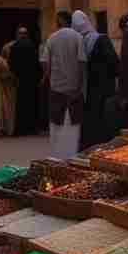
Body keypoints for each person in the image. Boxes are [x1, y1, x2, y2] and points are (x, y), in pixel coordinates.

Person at [73, 10, 120, 149]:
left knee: (91, 119)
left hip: (88, 88)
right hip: (105, 87)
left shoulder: (77, 41)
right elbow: (114, 63)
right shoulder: (101, 39)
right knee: (104, 119)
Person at [43, 11, 87, 159]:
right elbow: (82, 63)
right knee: (74, 125)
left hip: (57, 89)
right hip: (74, 89)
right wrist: (79, 86)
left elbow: (45, 62)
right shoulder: (78, 37)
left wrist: (49, 78)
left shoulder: (52, 38)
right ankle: (72, 156)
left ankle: (57, 156)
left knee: (56, 123)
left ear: (60, 21)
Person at [7, 27, 41, 136]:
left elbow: (11, 64)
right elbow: (37, 63)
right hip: (31, 80)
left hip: (20, 80)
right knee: (32, 103)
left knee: (21, 104)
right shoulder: (32, 45)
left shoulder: (14, 46)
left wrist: (15, 76)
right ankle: (33, 127)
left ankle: (21, 129)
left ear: (18, 34)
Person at [0, 39, 17, 135]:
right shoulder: (0, 60)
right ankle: (4, 129)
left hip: (11, 89)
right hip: (4, 89)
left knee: (10, 109)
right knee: (5, 109)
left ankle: (10, 129)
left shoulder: (10, 60)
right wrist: (9, 76)